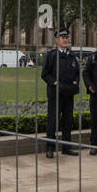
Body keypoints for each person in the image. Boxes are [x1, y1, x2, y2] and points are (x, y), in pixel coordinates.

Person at [40, 29, 80, 158]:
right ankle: (50, 148)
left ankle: (66, 147)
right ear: (57, 40)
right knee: (53, 122)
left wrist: (75, 82)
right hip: (55, 94)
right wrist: (54, 83)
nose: (65, 39)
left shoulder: (72, 55)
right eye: (62, 37)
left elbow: (77, 72)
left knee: (68, 122)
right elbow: (44, 74)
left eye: (66, 37)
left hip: (68, 93)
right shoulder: (51, 55)